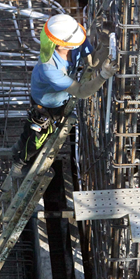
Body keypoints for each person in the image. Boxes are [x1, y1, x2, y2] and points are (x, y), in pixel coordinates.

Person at [10, 14, 116, 176]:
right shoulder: (50, 68)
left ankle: (23, 149)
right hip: (45, 105)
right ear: (62, 44)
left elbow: (93, 62)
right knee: (37, 137)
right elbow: (81, 92)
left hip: (61, 99)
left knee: (46, 132)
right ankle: (19, 164)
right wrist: (103, 76)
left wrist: (106, 44)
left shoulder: (73, 42)